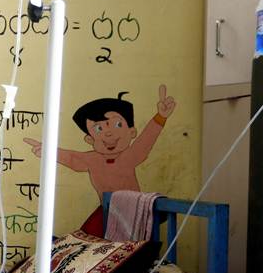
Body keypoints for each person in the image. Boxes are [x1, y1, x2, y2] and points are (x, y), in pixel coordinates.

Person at [23, 85, 176, 235]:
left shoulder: (130, 156)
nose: (108, 133)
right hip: (106, 211)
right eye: (98, 129)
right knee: (87, 238)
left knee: (135, 241)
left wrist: (160, 117)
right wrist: (48, 151)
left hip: (132, 211)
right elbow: (72, 158)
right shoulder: (92, 159)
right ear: (89, 139)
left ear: (132, 132)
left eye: (117, 124)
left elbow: (145, 140)